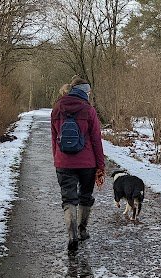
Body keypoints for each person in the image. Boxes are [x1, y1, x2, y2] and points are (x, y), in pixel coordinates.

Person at [51, 77, 106, 253]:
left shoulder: (57, 108)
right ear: (84, 92)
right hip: (87, 163)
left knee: (68, 199)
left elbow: (54, 138)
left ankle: (72, 235)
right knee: (85, 196)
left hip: (64, 162)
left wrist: (57, 159)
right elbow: (97, 140)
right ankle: (82, 230)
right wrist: (100, 165)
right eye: (88, 92)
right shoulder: (89, 110)